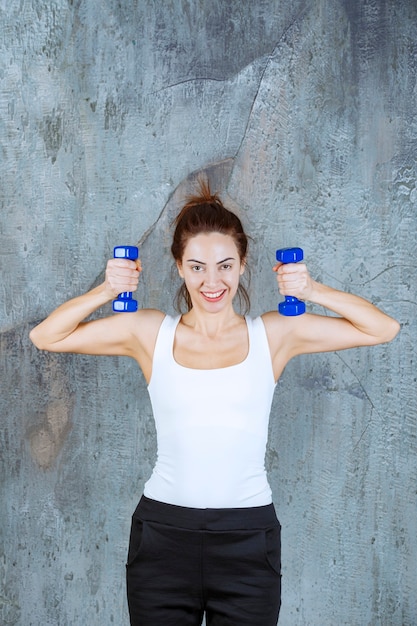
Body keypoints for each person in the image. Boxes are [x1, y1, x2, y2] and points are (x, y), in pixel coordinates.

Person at [29, 181, 400, 626]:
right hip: (162, 540)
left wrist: (313, 290)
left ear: (243, 265)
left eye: (225, 265)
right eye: (198, 266)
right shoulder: (149, 333)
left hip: (248, 542)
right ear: (179, 268)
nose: (212, 281)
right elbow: (45, 337)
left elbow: (383, 329)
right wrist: (106, 292)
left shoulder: (276, 334)